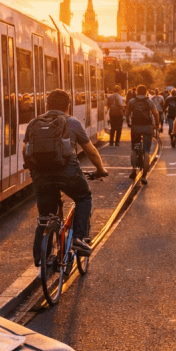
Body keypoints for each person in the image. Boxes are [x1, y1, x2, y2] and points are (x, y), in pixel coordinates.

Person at [26, 89, 108, 259]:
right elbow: (90, 151)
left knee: (45, 216)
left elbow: (25, 151)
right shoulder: (73, 122)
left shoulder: (33, 123)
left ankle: (41, 256)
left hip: (41, 176)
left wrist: (34, 172)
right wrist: (100, 169)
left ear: (47, 105)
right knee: (84, 197)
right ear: (68, 106)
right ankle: (79, 238)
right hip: (68, 173)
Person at [125, 84, 159, 184]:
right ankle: (144, 176)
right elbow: (155, 113)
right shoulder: (149, 101)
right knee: (147, 151)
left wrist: (128, 122)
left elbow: (127, 113)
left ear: (137, 92)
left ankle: (134, 170)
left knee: (134, 149)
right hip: (147, 127)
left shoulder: (132, 101)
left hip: (135, 127)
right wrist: (156, 124)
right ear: (145, 92)